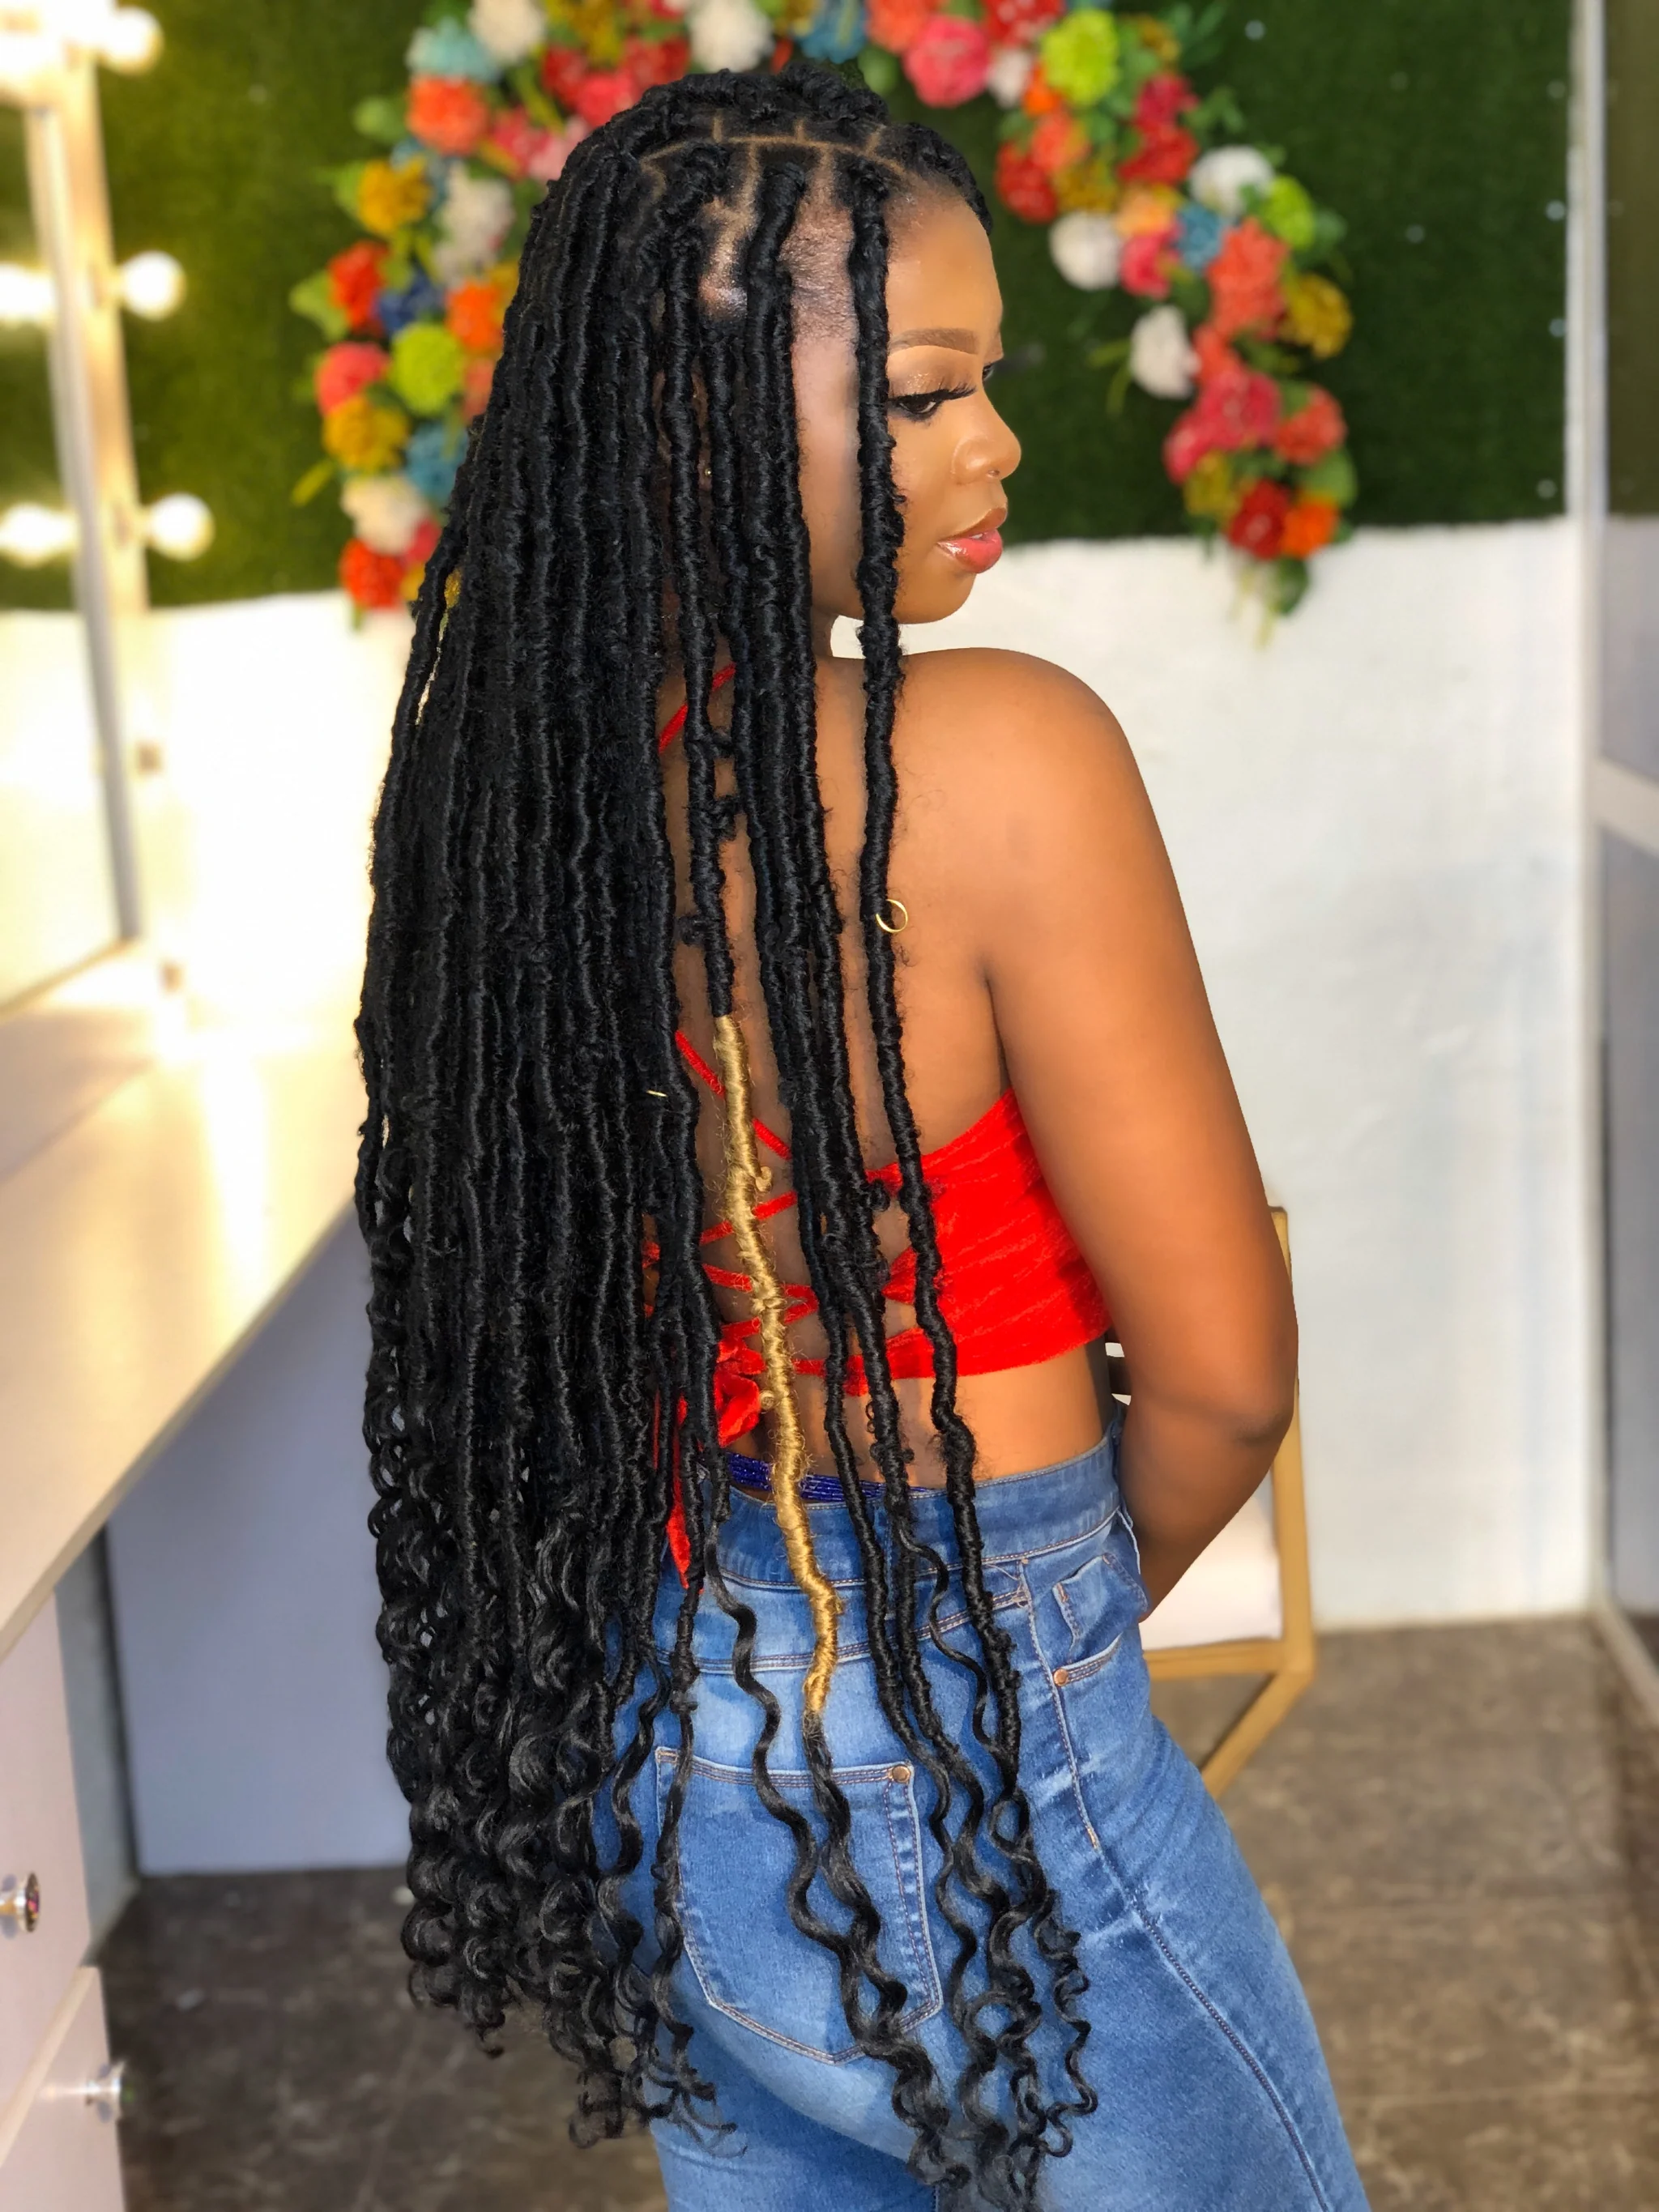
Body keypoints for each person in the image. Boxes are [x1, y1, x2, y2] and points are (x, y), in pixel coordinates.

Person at [356, 62, 1367, 2212]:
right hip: (975, 1727)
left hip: (662, 1751)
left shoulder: (507, 798)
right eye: (920, 398)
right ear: (699, 426)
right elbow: (1224, 1373)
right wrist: (1035, 1651)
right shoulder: (1001, 760)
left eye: (985, 383)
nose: (995, 444)